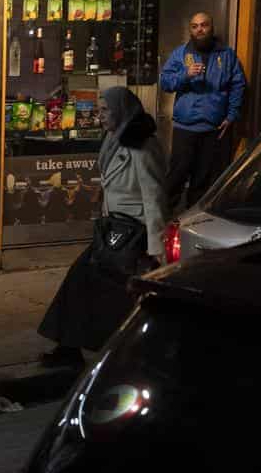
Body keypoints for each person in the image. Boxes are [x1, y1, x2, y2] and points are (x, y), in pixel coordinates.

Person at [37, 87, 168, 368]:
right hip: (112, 229)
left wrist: (156, 245)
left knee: (109, 290)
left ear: (121, 110)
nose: (100, 115)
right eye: (100, 109)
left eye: (106, 109)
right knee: (84, 281)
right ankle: (71, 346)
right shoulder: (114, 138)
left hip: (133, 232)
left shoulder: (142, 145)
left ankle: (115, 350)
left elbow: (154, 194)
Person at [159, 12, 247, 210]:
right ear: (190, 30)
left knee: (202, 181)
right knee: (176, 178)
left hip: (213, 129)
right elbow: (165, 82)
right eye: (195, 26)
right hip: (185, 128)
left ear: (211, 28)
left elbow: (238, 85)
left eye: (204, 25)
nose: (200, 29)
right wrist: (185, 75)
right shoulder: (181, 54)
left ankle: (190, 224)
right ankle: (161, 222)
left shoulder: (227, 55)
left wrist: (232, 115)